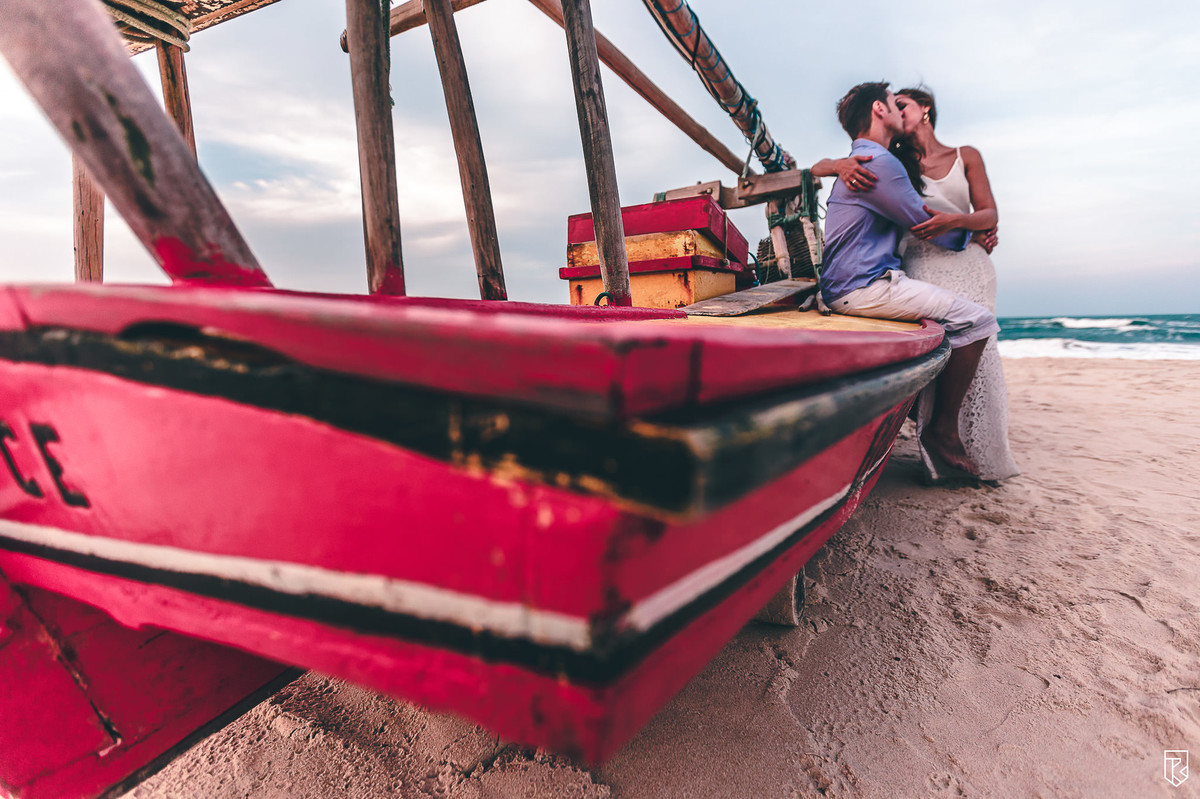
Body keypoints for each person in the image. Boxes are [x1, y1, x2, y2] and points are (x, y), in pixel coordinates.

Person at [816, 87, 1019, 483]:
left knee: (955, 334)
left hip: (860, 278)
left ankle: (943, 431)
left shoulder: (873, 158)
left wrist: (968, 228)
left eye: (904, 104)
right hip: (867, 283)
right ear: (880, 110)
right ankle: (941, 430)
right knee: (976, 325)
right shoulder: (883, 162)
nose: (899, 110)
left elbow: (974, 213)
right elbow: (922, 222)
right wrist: (969, 233)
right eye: (894, 104)